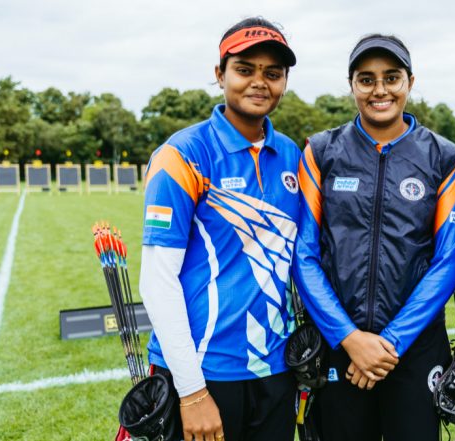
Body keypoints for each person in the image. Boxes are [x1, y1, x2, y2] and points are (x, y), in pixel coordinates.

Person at [293, 34, 455, 441]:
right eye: (366, 79)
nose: (380, 90)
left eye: (392, 77)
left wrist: (389, 342)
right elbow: (305, 255)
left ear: (410, 81)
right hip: (339, 346)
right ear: (351, 84)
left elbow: (449, 261)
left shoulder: (444, 157)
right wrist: (350, 338)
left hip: (415, 348)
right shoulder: (321, 151)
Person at [139, 17, 301, 441]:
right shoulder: (183, 154)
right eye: (245, 69)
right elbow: (157, 281)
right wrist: (191, 392)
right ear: (220, 74)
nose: (259, 82)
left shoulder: (292, 155)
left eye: (273, 73)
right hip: (203, 372)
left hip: (276, 370)